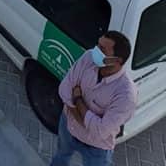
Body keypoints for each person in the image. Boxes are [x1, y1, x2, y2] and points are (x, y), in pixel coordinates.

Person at [50, 31, 136, 166]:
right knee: (60, 157)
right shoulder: (89, 57)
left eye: (102, 49)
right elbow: (65, 89)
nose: (96, 51)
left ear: (117, 60)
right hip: (68, 127)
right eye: (98, 44)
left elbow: (100, 131)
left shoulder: (126, 95)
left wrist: (77, 99)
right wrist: (86, 121)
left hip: (96, 147)